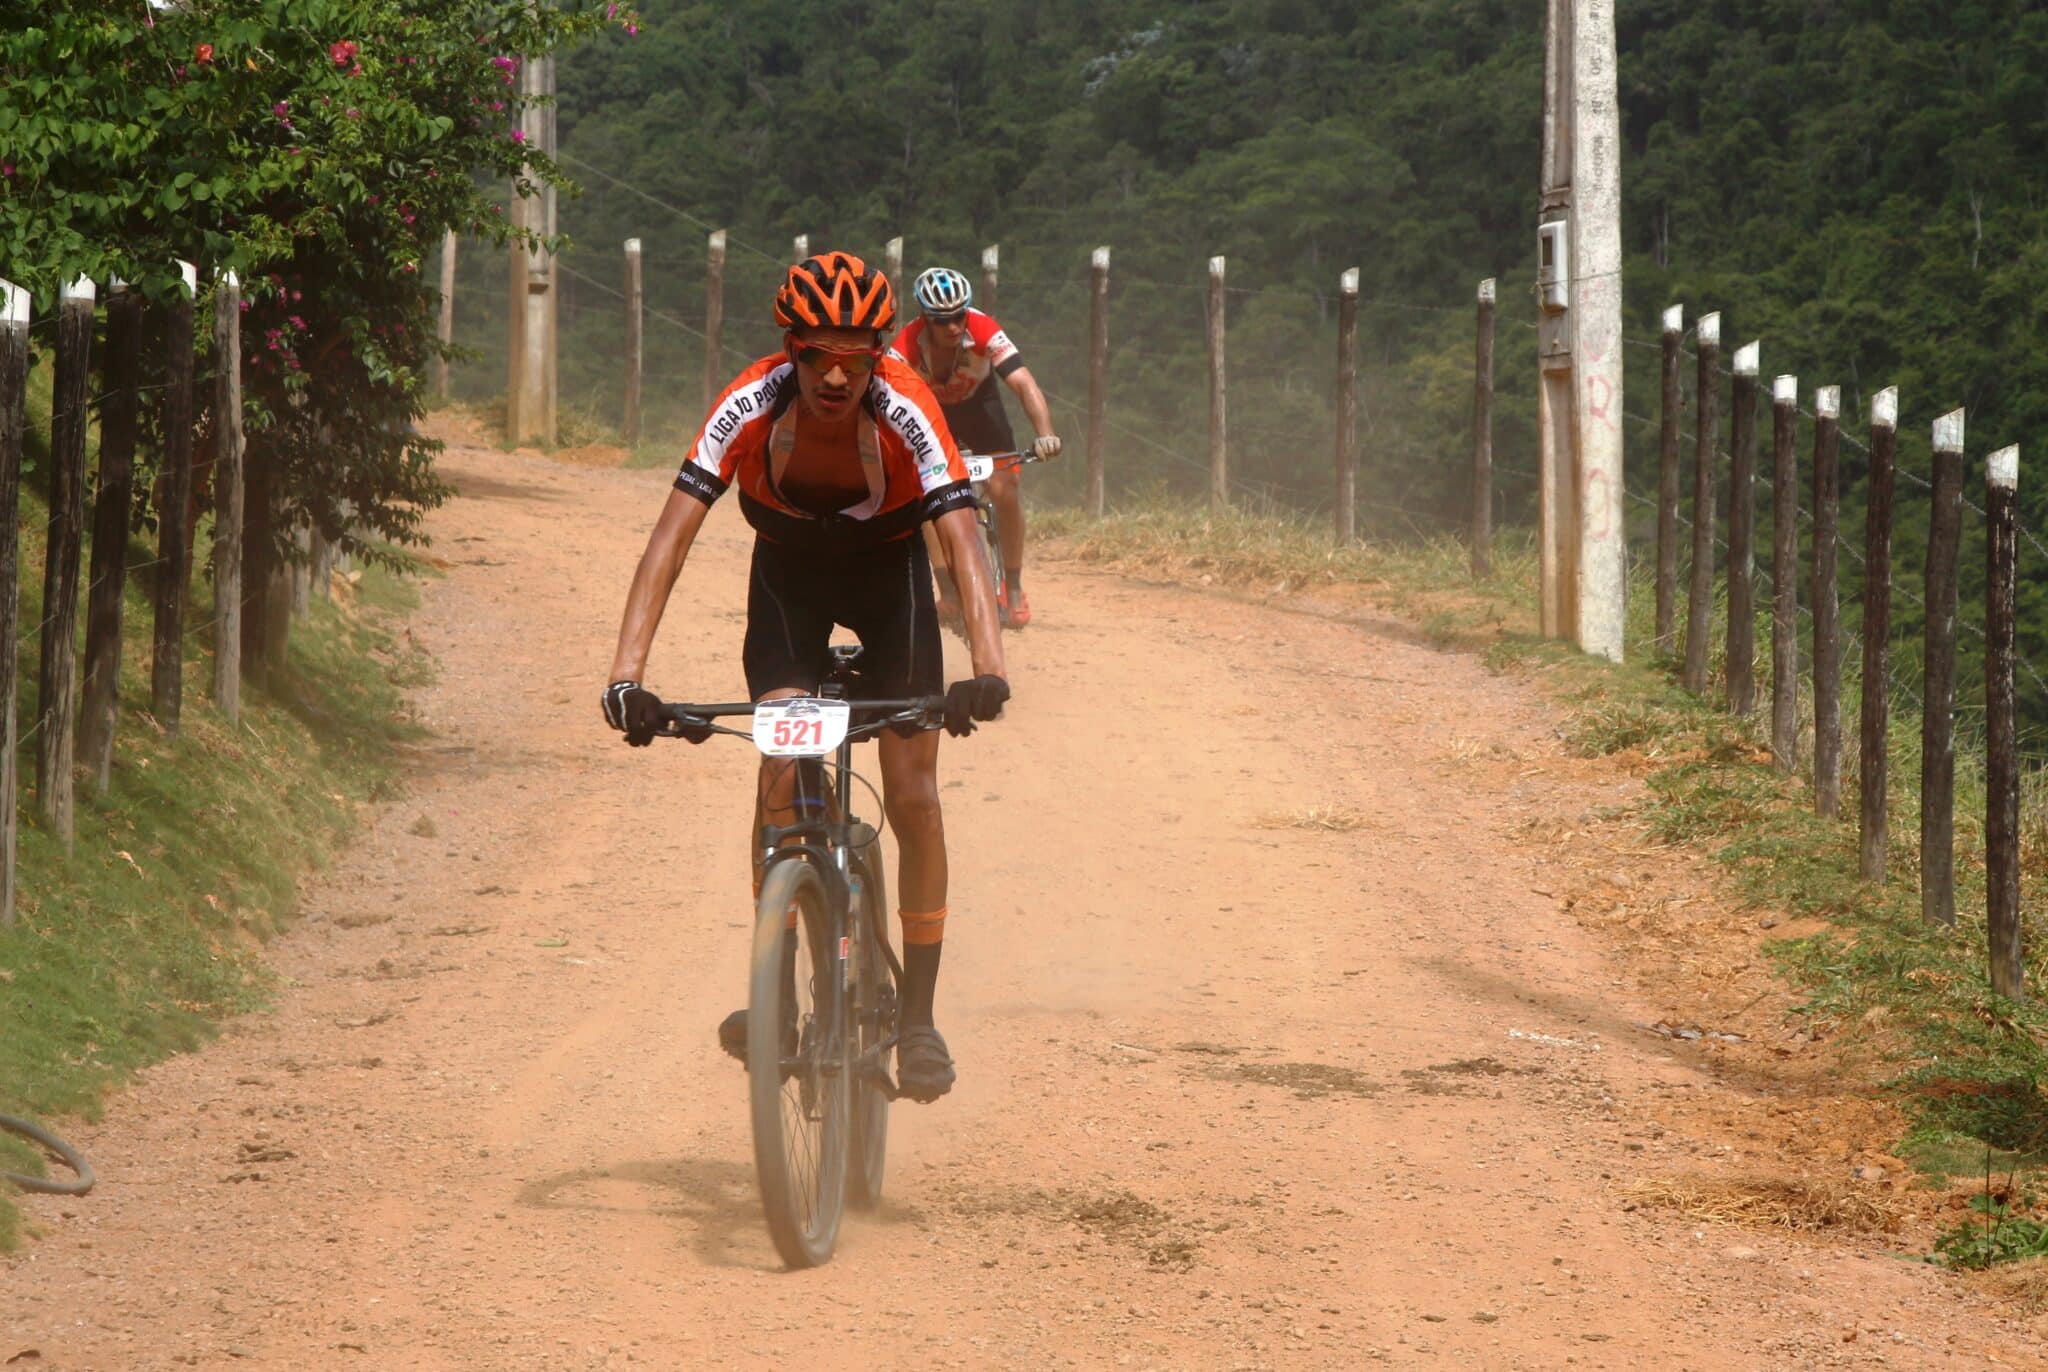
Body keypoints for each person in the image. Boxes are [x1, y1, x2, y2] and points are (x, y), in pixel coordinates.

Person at [602, 252, 1010, 1103]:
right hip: (787, 576)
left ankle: (919, 1021)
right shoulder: (751, 401)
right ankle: (775, 996)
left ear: (876, 355)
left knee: (915, 795)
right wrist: (626, 675)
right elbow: (670, 537)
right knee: (781, 762)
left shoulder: (906, 398)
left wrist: (987, 667)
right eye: (816, 354)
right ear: (788, 348)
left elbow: (962, 538)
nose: (834, 375)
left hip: (888, 577)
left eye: (855, 357)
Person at [889, 266, 1061, 628]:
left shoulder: (983, 329)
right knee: (929, 499)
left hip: (981, 409)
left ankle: (1012, 587)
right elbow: (884, 399)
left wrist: (1045, 432)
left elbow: (1024, 384)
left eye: (958, 316)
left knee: (1006, 488)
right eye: (942, 320)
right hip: (933, 414)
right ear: (925, 319)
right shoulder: (905, 345)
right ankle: (948, 592)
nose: (953, 326)